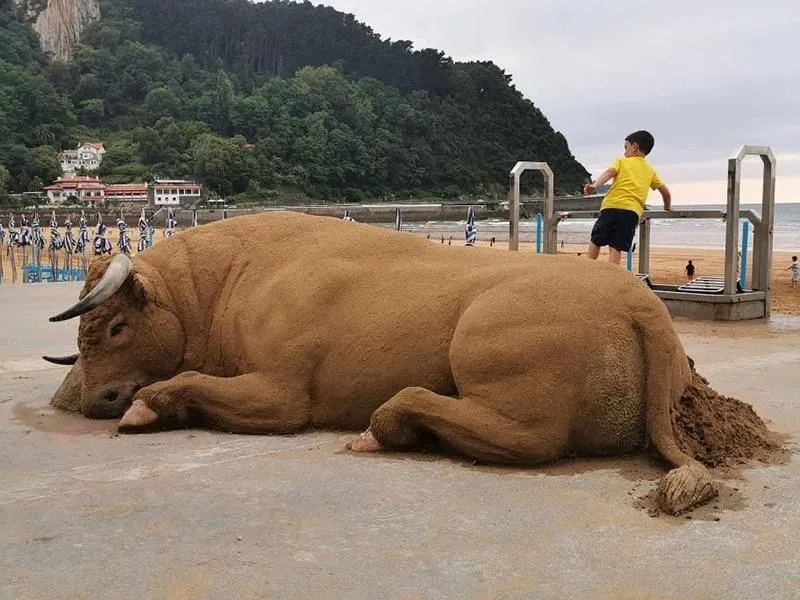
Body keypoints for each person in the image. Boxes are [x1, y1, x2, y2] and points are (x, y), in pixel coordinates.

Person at [583, 130, 672, 265]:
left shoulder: (621, 161)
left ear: (634, 147)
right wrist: (667, 207)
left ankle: (588, 267)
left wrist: (595, 186)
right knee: (616, 246)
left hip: (611, 207)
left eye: (626, 147)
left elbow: (609, 173)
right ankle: (612, 274)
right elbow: (665, 192)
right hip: (631, 212)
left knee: (596, 240)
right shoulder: (650, 170)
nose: (624, 152)